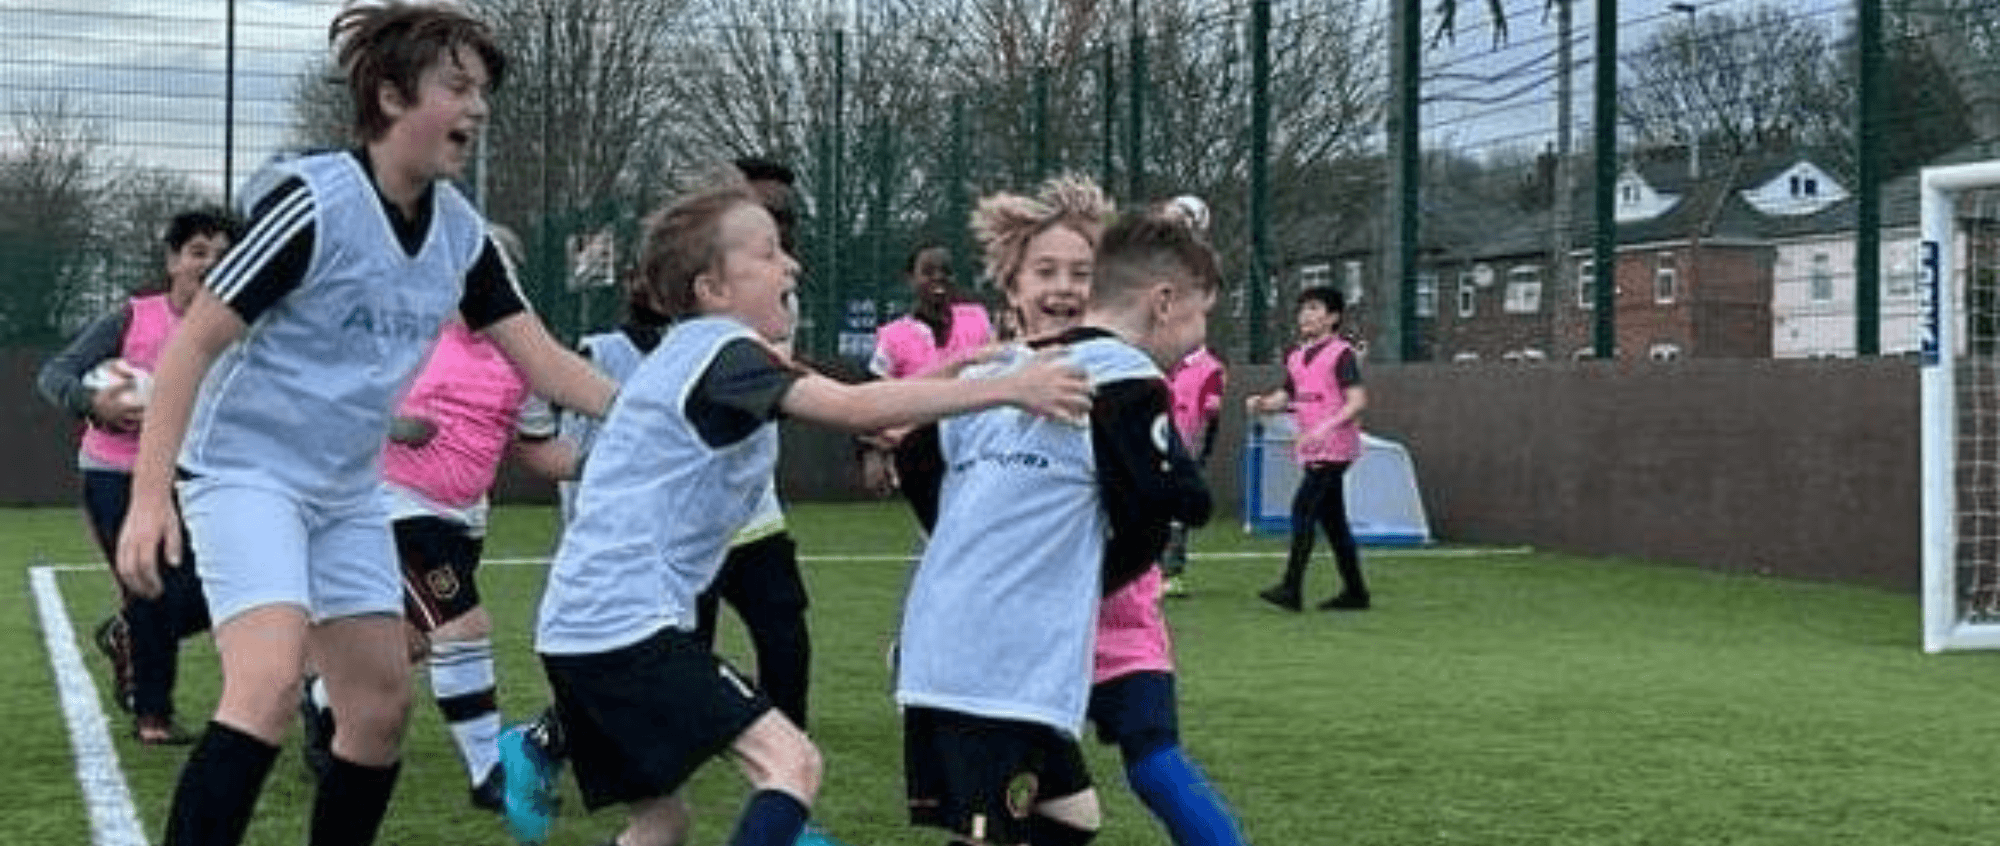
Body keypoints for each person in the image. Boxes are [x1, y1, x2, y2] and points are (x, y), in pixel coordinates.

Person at [113, 5, 617, 845]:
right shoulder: (314, 205)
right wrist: (148, 496)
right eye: (457, 86)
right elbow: (191, 345)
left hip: (348, 492)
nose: (477, 107)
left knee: (379, 710)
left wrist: (661, 411)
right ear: (389, 96)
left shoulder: (463, 237)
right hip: (246, 473)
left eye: (482, 91)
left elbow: (548, 364)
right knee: (268, 686)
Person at [500, 176, 1091, 846]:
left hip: (579, 628)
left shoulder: (703, 358)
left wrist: (967, 370)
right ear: (712, 289)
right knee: (792, 764)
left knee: (662, 821)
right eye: (768, 253)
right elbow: (853, 409)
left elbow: (861, 403)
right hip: (623, 625)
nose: (792, 265)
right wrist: (1012, 389)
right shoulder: (721, 354)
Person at [892, 177, 1213, 846]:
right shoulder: (991, 383)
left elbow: (1156, 500)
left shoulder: (1101, 375)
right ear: (1012, 287)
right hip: (1005, 638)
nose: (1064, 287)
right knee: (1004, 826)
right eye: (1046, 271)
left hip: (1083, 622)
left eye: (1082, 272)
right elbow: (915, 457)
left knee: (1080, 809)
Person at [36, 207, 242, 745]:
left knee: (217, 586)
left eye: (222, 256)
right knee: (150, 586)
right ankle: (154, 716)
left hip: (195, 476)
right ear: (173, 261)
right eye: (197, 252)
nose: (209, 264)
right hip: (117, 473)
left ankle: (127, 634)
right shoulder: (131, 318)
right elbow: (55, 373)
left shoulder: (240, 329)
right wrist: (93, 403)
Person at [1247, 286, 1371, 612]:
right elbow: (1286, 396)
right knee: (1334, 522)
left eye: (1314, 308)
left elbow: (1357, 401)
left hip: (1333, 448)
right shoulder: (1295, 355)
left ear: (1333, 317)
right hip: (1312, 447)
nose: (1305, 314)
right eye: (1303, 308)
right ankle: (1356, 592)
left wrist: (1325, 427)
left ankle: (1291, 588)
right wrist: (1262, 403)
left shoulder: (1341, 354)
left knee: (1303, 509)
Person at [861, 241, 993, 496]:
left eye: (946, 271)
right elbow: (869, 398)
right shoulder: (893, 337)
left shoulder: (977, 320)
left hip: (976, 449)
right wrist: (871, 454)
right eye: (928, 271)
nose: (938, 278)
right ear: (911, 278)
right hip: (920, 455)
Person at [1156, 196, 1225, 598]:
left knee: (1179, 494)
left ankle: (1171, 569)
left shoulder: (1197, 268)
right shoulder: (1147, 262)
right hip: (1159, 378)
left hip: (1187, 403)